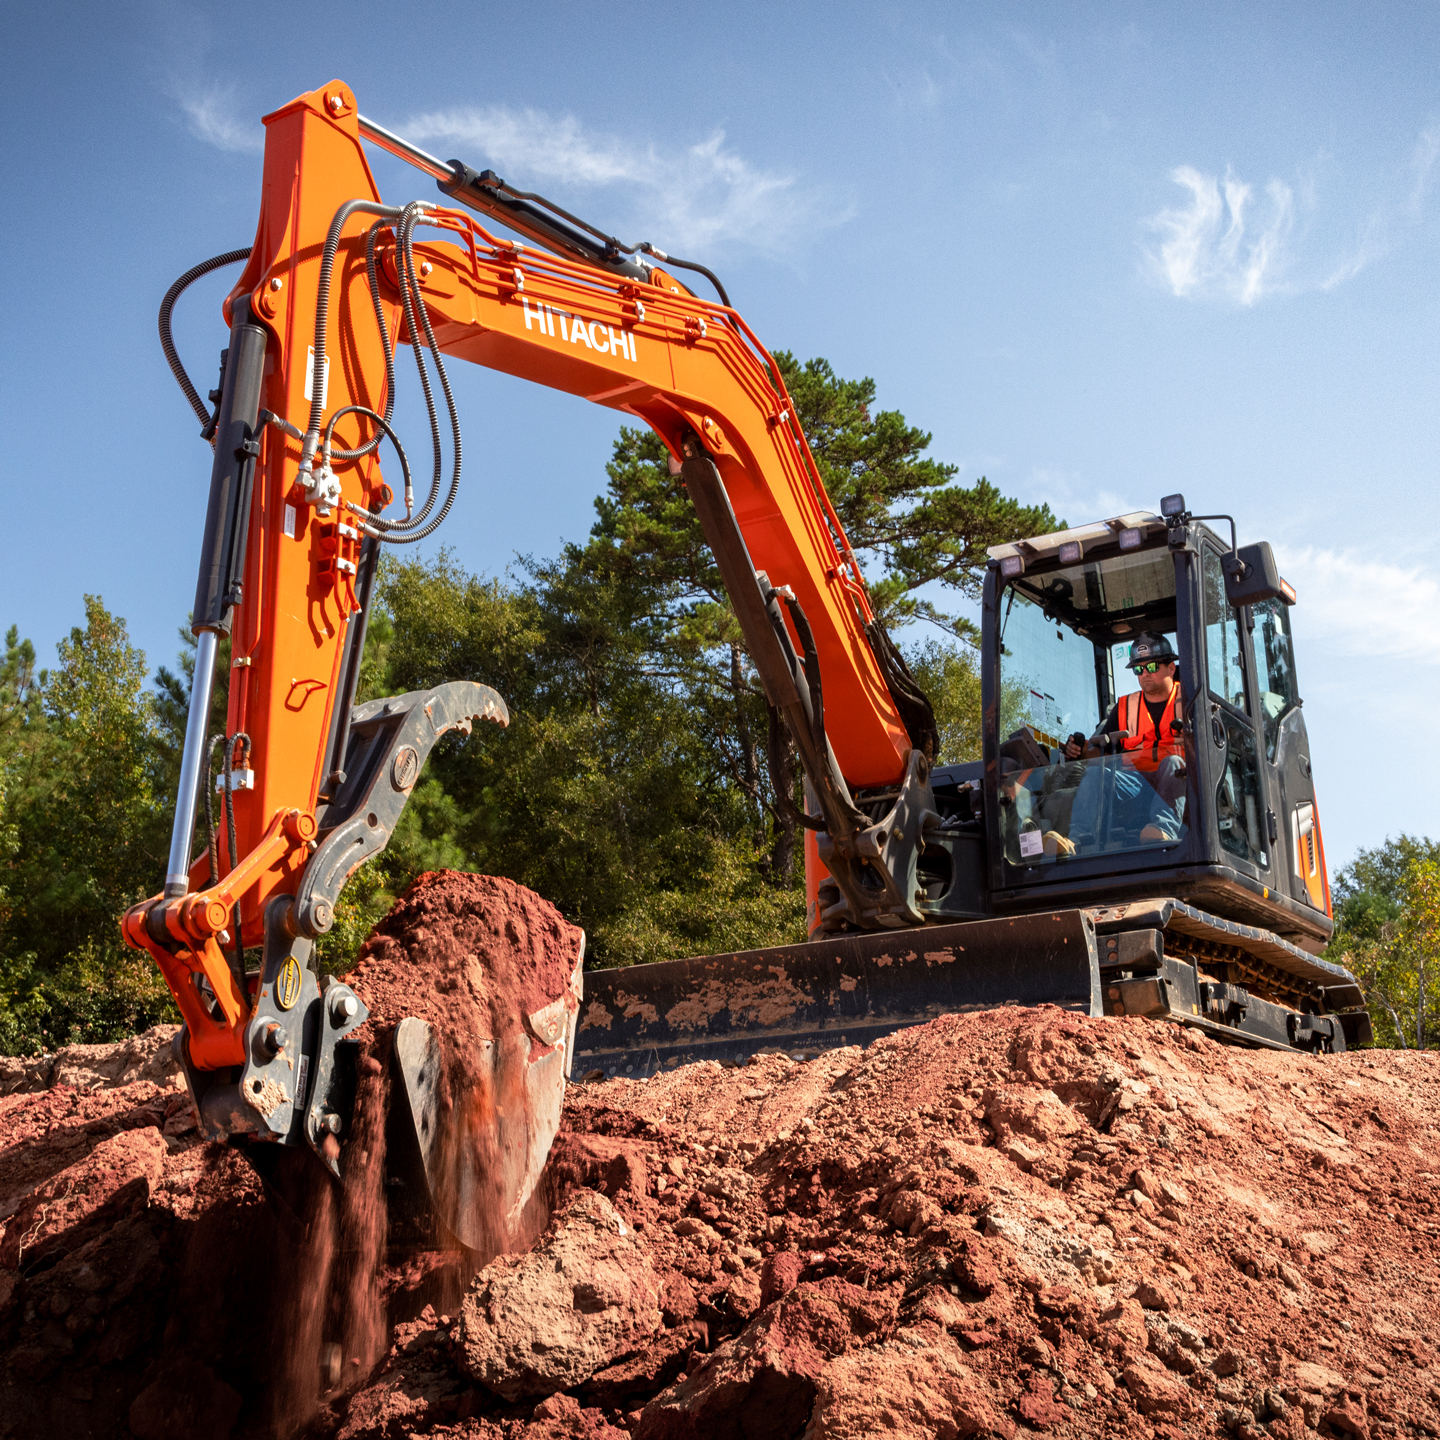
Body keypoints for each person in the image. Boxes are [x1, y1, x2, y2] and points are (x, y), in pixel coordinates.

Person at [1063, 633, 1187, 845]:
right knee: (1095, 774)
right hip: (1136, 783)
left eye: (1152, 667)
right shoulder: (1124, 708)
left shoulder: (1190, 700)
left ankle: (1162, 830)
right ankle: (1075, 838)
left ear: (1171, 668)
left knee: (1173, 763)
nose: (1145, 674)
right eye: (1139, 669)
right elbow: (1103, 753)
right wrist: (1080, 751)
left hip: (1177, 782)